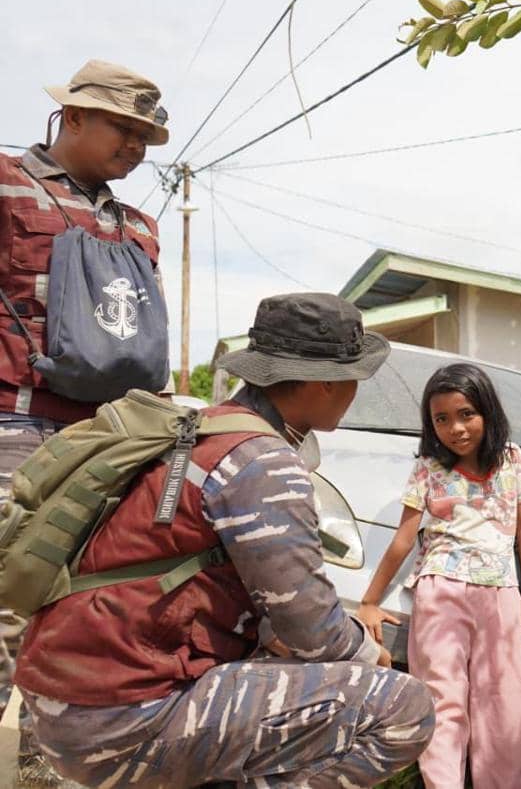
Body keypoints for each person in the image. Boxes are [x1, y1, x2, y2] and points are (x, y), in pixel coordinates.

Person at [13, 293, 435, 787]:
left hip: (65, 701)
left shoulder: (200, 430)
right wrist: (369, 651)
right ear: (325, 381)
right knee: (405, 708)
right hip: (122, 720)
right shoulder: (262, 462)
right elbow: (312, 632)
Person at [0, 58, 175, 785]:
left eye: (146, 135)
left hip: (116, 438)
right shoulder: (7, 182)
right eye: (123, 128)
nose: (135, 146)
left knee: (88, 604)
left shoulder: (140, 224)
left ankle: (52, 766)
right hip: (18, 425)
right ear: (70, 117)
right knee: (9, 594)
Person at [357, 363, 521, 789]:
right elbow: (405, 538)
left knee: (505, 705)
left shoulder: (512, 460)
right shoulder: (427, 468)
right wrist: (370, 600)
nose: (455, 428)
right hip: (440, 593)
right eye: (441, 419)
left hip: (500, 594)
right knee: (443, 701)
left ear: (487, 413)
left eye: (466, 414)